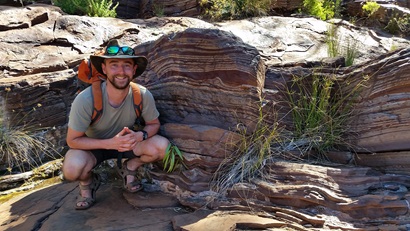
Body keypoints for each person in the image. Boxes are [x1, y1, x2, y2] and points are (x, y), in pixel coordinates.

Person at [62, 39, 169, 210]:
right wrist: (109, 143)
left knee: (161, 147)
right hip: (92, 147)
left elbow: (153, 124)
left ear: (134, 70)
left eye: (127, 65)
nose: (121, 71)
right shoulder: (85, 99)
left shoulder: (141, 94)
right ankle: (87, 183)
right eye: (114, 65)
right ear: (103, 69)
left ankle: (130, 168)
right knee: (72, 169)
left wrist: (140, 135)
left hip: (126, 144)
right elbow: (73, 141)